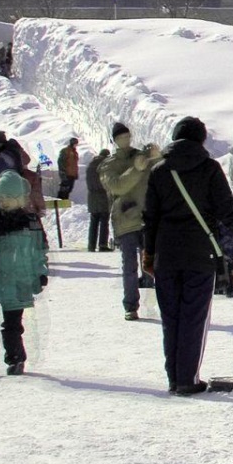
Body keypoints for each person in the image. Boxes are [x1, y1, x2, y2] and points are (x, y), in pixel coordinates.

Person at [142, 116, 233, 395]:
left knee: (171, 318)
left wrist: (149, 255)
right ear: (201, 140)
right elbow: (227, 211)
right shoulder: (209, 168)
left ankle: (174, 378)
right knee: (193, 317)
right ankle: (188, 378)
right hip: (200, 252)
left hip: (166, 253)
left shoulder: (159, 171)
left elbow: (149, 218)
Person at [0, 172, 49, 375]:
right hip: (4, 280)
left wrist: (40, 272)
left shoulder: (30, 222)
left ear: (22, 199)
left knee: (15, 320)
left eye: (12, 198)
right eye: (2, 198)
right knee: (11, 322)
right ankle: (14, 358)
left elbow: (39, 250)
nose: (6, 202)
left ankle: (16, 357)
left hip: (23, 279)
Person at [97, 123, 154, 321]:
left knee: (154, 263)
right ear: (114, 141)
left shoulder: (141, 156)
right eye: (120, 137)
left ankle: (163, 301)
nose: (125, 140)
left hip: (147, 217)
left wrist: (156, 156)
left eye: (127, 136)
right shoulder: (108, 164)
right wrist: (136, 169)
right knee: (129, 265)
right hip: (126, 218)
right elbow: (118, 186)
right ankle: (131, 305)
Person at [84, 146, 112, 251]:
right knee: (104, 220)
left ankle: (91, 245)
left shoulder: (90, 165)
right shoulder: (105, 165)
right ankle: (102, 244)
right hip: (103, 196)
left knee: (94, 221)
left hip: (91, 196)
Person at [56, 137, 80, 201]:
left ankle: (65, 201)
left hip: (72, 174)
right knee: (64, 188)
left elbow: (74, 164)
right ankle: (60, 201)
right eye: (75, 143)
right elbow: (60, 161)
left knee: (69, 188)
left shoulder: (75, 153)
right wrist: (62, 171)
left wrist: (76, 174)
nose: (76, 145)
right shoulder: (65, 151)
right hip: (66, 173)